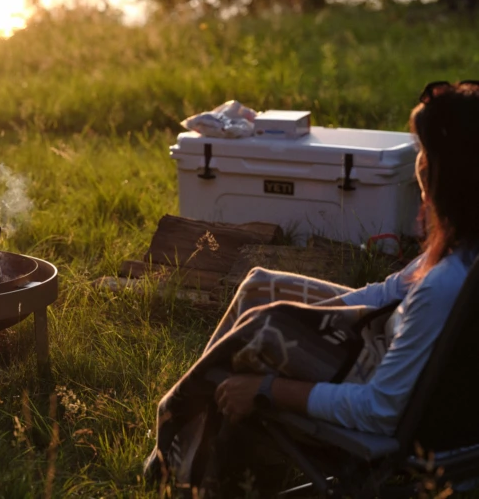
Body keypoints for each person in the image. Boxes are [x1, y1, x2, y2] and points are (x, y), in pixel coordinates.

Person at [144, 81, 479, 497]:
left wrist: (266, 389)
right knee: (262, 287)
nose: (419, 165)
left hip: (388, 400)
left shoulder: (446, 284)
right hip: (385, 347)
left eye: (426, 154)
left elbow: (379, 410)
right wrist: (314, 318)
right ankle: (181, 450)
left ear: (453, 177)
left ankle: (194, 472)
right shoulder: (464, 249)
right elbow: (389, 290)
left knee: (264, 330)